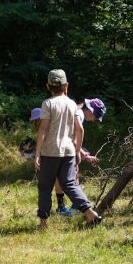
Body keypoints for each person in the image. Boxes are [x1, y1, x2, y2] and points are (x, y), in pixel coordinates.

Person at [34, 69, 102, 230]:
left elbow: (43, 128)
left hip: (50, 152)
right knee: (70, 184)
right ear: (66, 86)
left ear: (48, 86)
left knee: (45, 186)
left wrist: (37, 153)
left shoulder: (48, 104)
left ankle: (43, 223)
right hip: (68, 151)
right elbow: (80, 129)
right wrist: (78, 150)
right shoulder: (72, 104)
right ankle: (90, 213)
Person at [22, 108, 72, 216]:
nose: (37, 122)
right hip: (50, 157)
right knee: (52, 183)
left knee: (51, 183)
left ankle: (56, 208)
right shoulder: (44, 128)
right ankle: (57, 207)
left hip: (52, 157)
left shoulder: (46, 128)